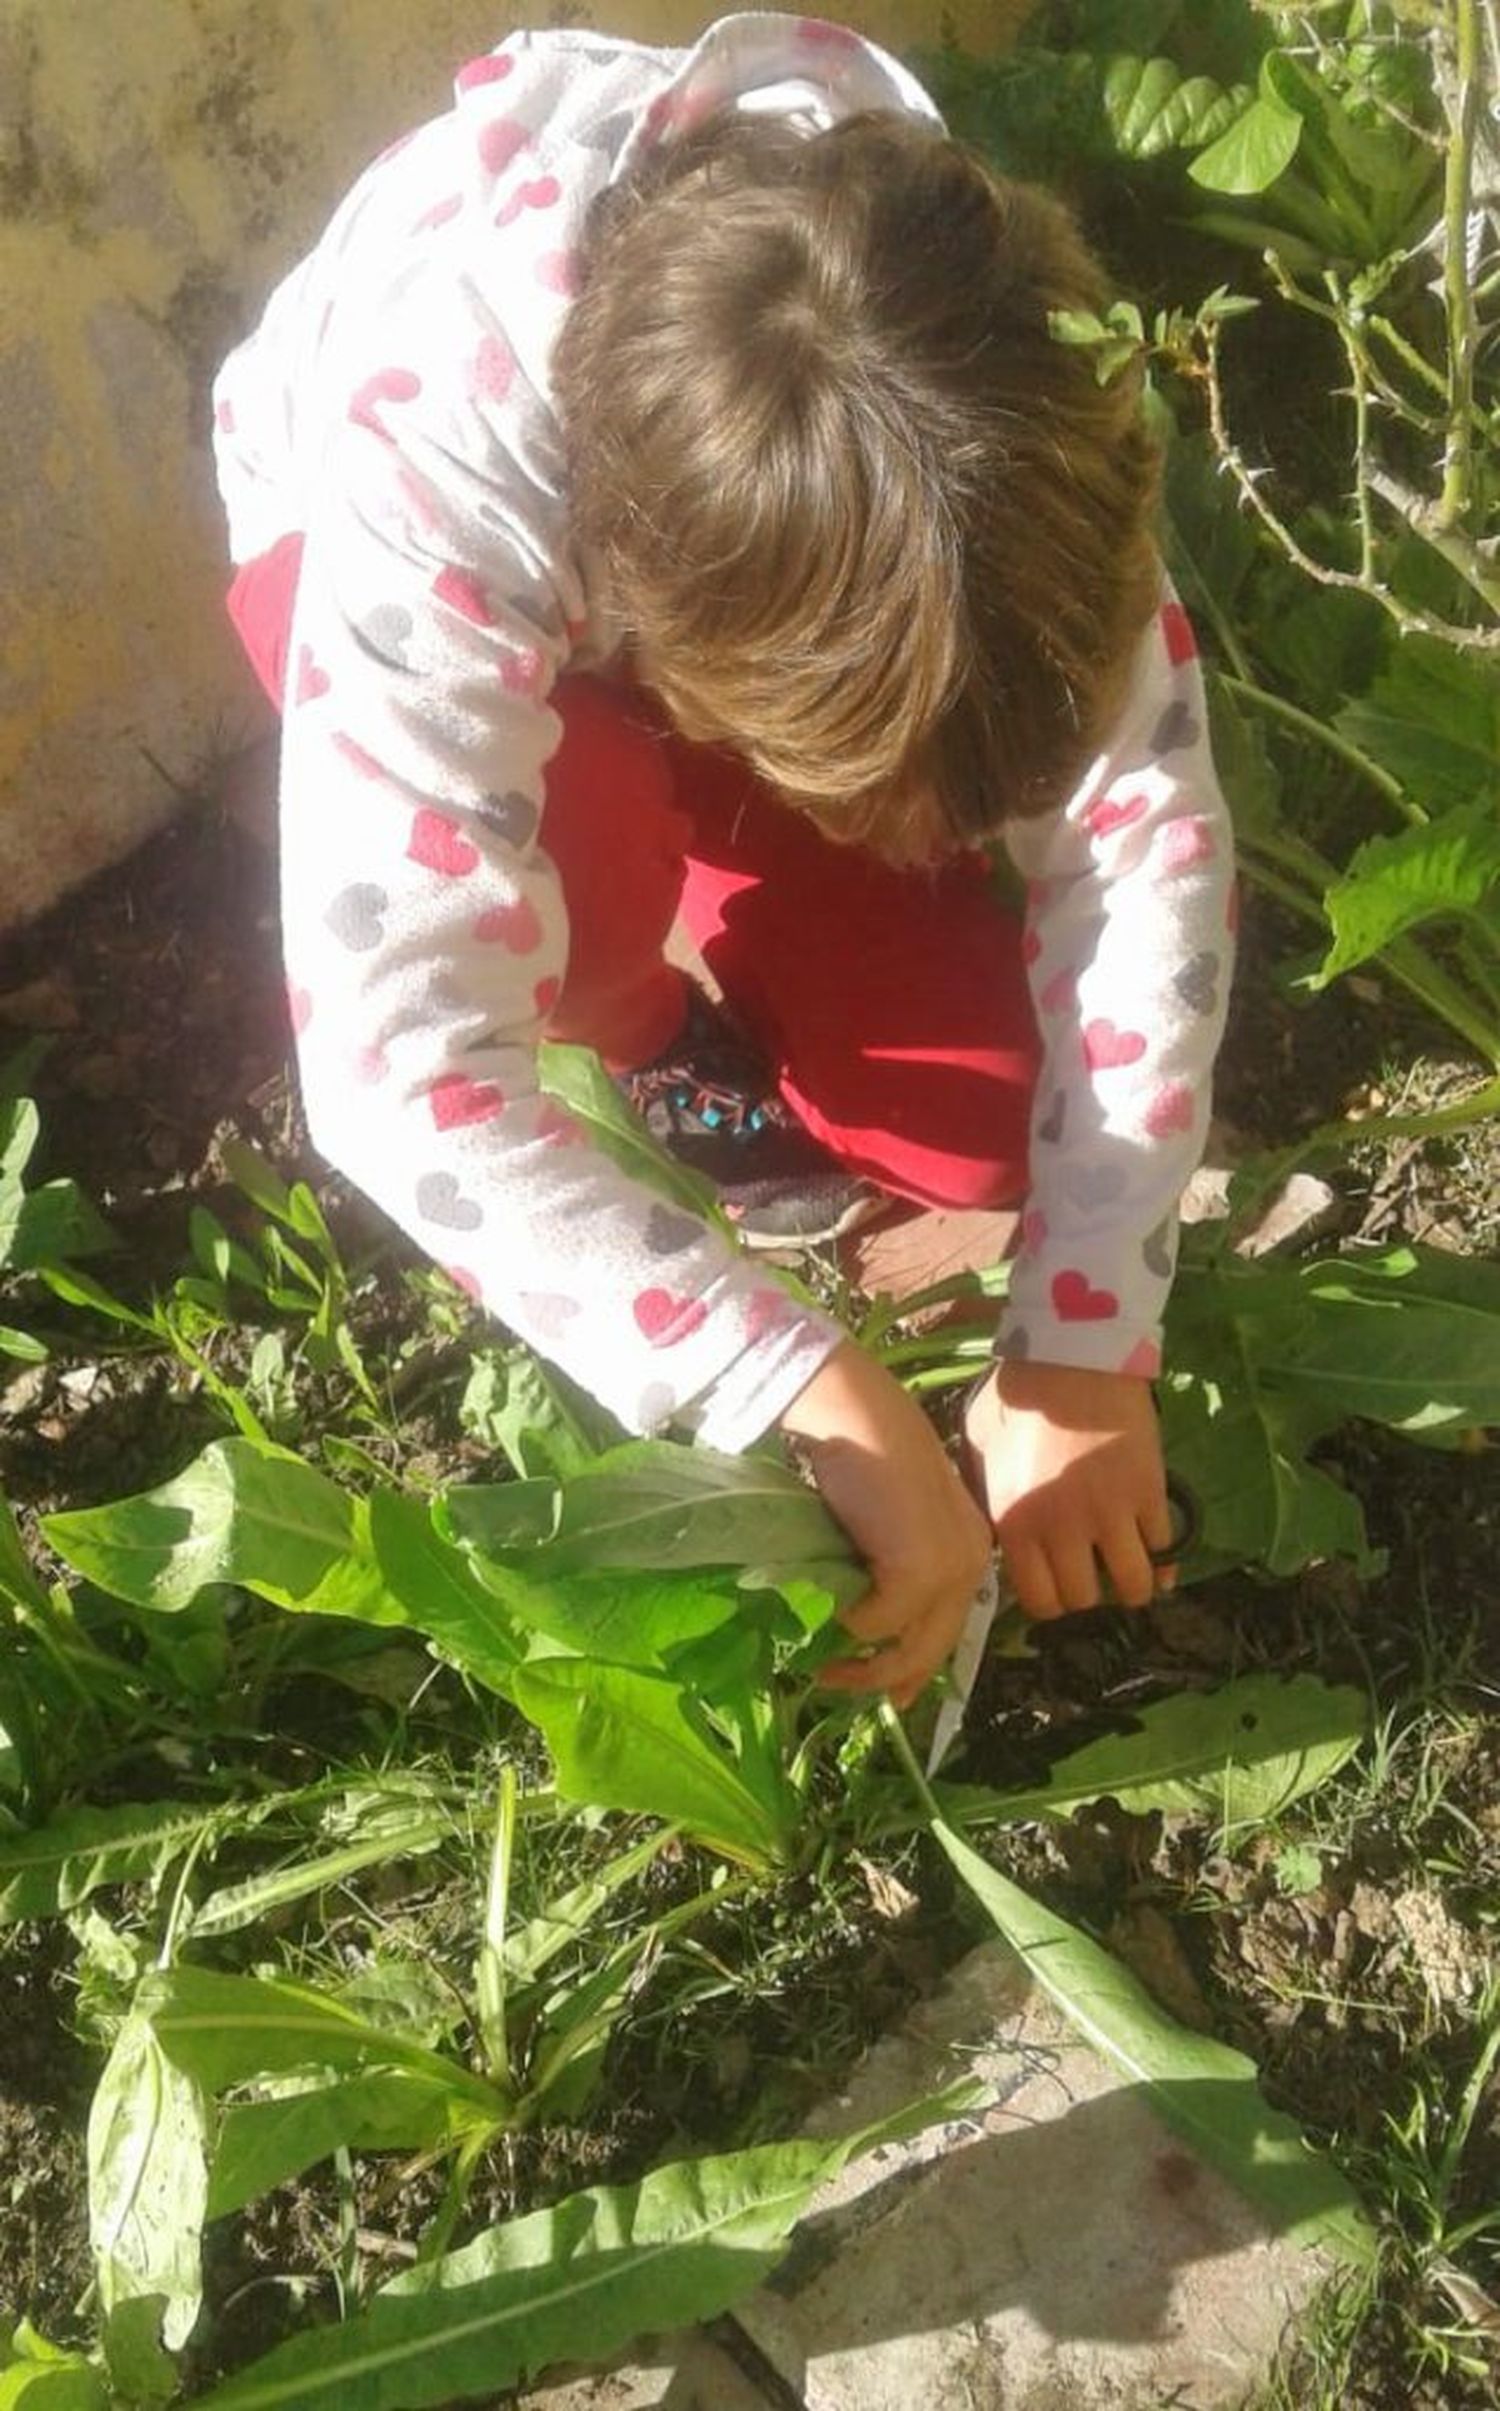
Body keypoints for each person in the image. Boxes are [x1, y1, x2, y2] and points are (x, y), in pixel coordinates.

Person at [211, 14, 1234, 1713]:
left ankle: (735, 876)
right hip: (386, 563)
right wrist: (808, 1390)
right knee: (571, 857)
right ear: (703, 669)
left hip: (735, 567)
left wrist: (1082, 1342)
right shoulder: (436, 472)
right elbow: (393, 1070)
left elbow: (1145, 836)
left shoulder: (1001, 388)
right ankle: (636, 1018)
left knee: (977, 1122)